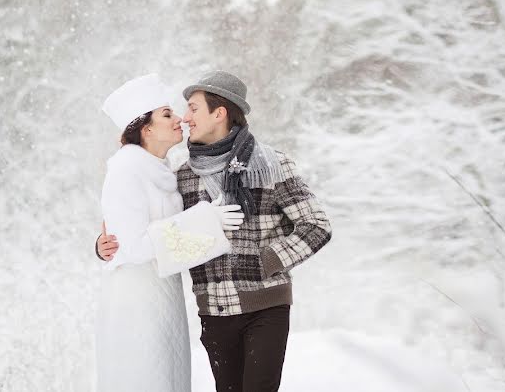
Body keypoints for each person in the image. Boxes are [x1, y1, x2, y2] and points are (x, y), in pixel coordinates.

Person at [96, 70, 333, 392]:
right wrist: (106, 244)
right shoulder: (183, 177)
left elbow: (316, 225)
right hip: (214, 309)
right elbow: (158, 230)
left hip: (266, 306)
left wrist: (267, 261)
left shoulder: (272, 164)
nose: (185, 117)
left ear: (219, 113)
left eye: (193, 108)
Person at [95, 73, 245, 392]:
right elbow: (133, 247)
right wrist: (208, 221)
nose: (179, 118)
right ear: (145, 128)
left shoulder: (162, 171)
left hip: (164, 297)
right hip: (136, 303)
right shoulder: (126, 170)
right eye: (167, 114)